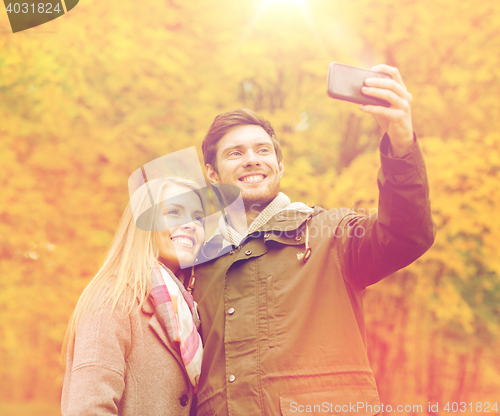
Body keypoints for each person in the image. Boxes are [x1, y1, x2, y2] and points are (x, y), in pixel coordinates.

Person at [192, 65, 436, 415]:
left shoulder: (331, 234)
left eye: (263, 151)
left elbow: (406, 234)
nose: (251, 160)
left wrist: (400, 139)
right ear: (213, 175)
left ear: (279, 166)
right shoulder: (198, 266)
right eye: (235, 153)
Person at [61, 176, 205, 416]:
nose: (190, 224)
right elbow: (89, 409)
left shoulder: (190, 310)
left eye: (198, 217)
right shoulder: (114, 298)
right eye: (174, 212)